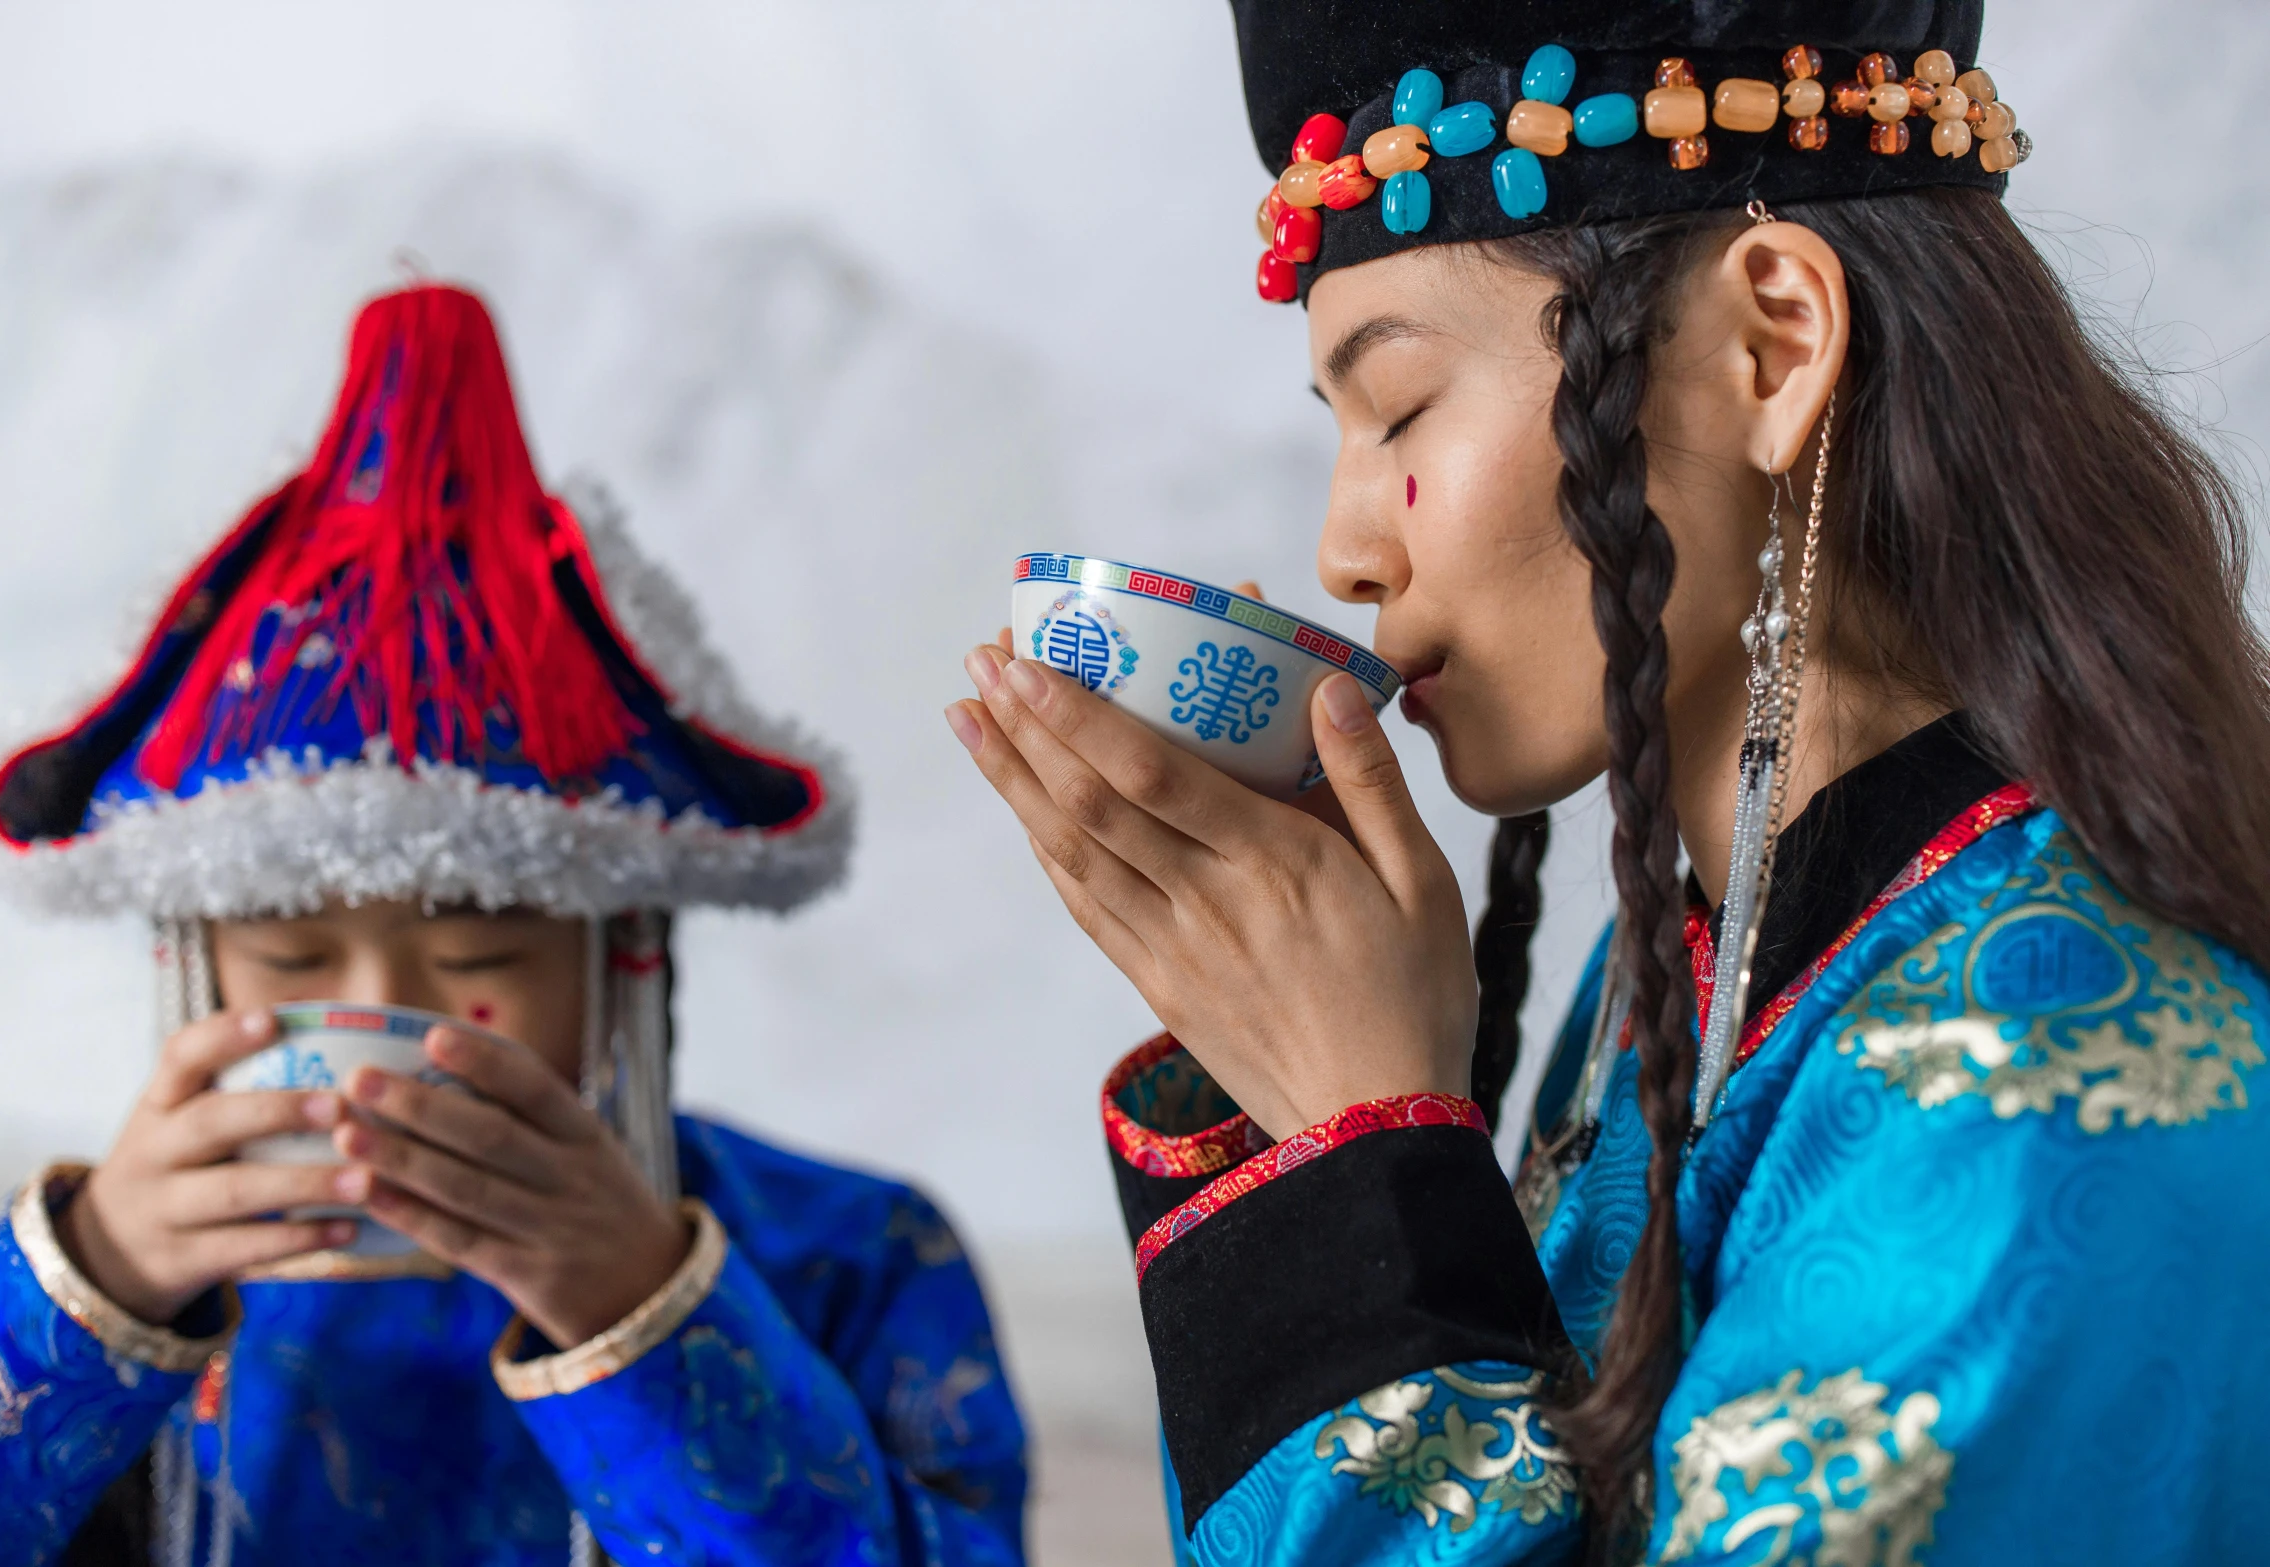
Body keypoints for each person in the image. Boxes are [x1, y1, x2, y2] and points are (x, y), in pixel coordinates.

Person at [947, 1, 2270, 1562]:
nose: (1344, 548)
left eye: (1400, 410)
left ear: (1766, 344)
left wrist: (1363, 1150)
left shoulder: (2051, 1063)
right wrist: (1315, 1095)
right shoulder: (1694, 969)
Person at [0, 283, 1028, 1566]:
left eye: (481, 947)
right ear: (191, 962)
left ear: (625, 956)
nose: (390, 1008)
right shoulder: (114, 1273)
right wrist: (91, 1285)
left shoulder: (855, 1253)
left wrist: (642, 1316)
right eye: (287, 952)